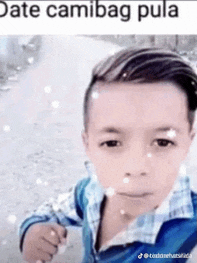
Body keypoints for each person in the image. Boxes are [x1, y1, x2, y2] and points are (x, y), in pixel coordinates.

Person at [19, 47, 197, 263]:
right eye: (112, 143)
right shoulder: (90, 192)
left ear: (188, 141)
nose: (136, 167)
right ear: (88, 145)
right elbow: (49, 212)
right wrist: (33, 230)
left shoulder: (190, 232)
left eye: (162, 142)